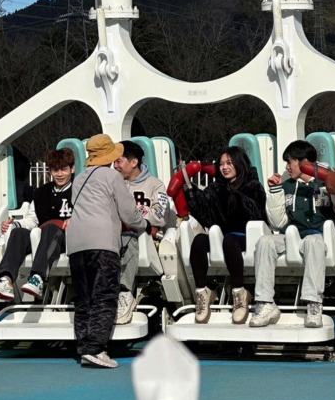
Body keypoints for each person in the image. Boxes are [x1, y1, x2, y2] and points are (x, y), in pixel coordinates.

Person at [67, 134, 146, 369]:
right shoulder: (112, 176)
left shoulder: (79, 178)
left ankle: (84, 346)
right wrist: (144, 225)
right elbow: (129, 213)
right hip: (102, 242)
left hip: (76, 243)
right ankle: (96, 348)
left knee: (84, 298)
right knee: (104, 295)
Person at [250, 140, 335, 329]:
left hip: (319, 236)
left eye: (290, 162)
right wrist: (275, 191)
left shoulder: (327, 181)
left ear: (305, 162)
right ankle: (265, 303)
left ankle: (314, 303)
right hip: (292, 236)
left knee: (313, 242)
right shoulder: (288, 186)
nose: (287, 167)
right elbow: (277, 223)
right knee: (265, 242)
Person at [180, 146, 266, 325]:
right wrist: (191, 192)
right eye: (221, 164)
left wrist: (234, 197)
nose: (224, 167)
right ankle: (203, 292)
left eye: (229, 163)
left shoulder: (253, 186)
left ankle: (239, 292)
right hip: (223, 235)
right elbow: (205, 215)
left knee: (230, 240)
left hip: (247, 236)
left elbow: (257, 215)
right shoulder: (216, 187)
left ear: (240, 163)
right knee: (199, 240)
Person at [0, 147, 75, 303]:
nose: (60, 174)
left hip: (67, 238)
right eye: (55, 170)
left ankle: (38, 278)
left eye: (64, 169)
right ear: (50, 171)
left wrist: (75, 219)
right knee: (18, 232)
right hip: (42, 236)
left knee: (51, 229)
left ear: (72, 169)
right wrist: (15, 224)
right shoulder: (40, 192)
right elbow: (32, 219)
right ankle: (5, 280)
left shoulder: (79, 189)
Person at [113, 140, 174, 325]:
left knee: (129, 236)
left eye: (119, 161)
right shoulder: (113, 184)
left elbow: (160, 216)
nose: (115, 166)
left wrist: (132, 220)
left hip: (143, 239)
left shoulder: (155, 185)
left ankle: (124, 294)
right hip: (116, 236)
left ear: (134, 162)